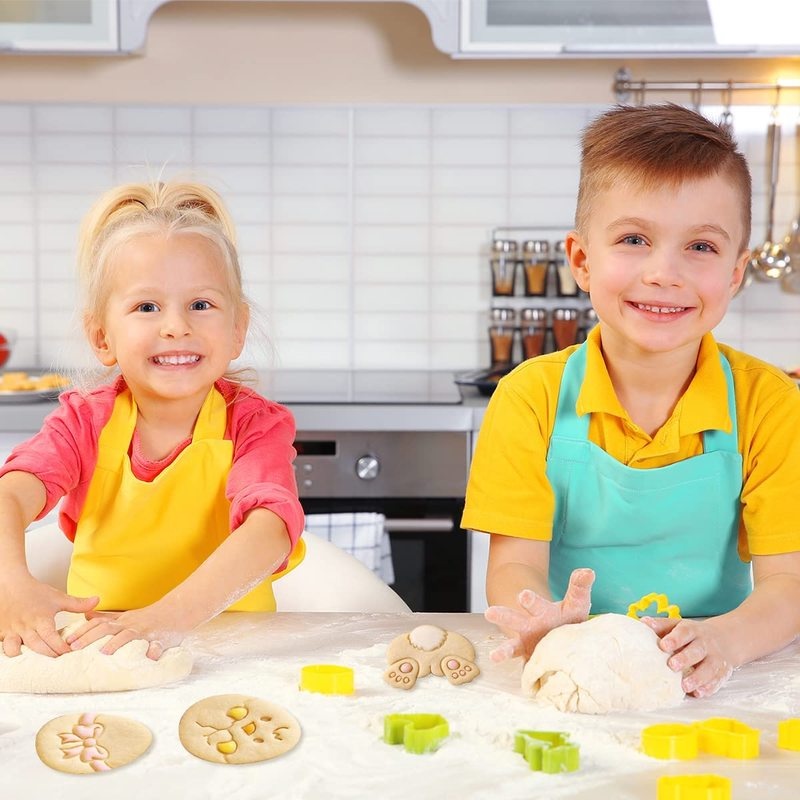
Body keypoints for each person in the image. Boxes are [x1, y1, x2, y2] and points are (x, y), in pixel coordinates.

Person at [462, 104, 800, 698]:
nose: (664, 272)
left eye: (700, 246)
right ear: (581, 261)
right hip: (571, 671)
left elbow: (789, 583)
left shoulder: (768, 404)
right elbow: (514, 565)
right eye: (634, 239)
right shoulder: (530, 399)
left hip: (711, 677)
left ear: (736, 273)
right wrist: (541, 620)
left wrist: (724, 642)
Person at [0, 180, 304, 661]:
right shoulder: (86, 422)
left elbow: (270, 529)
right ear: (102, 337)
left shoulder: (253, 424)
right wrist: (10, 583)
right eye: (147, 307)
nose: (175, 326)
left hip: (236, 650)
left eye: (201, 305)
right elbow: (10, 494)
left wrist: (168, 618)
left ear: (238, 329)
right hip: (102, 651)